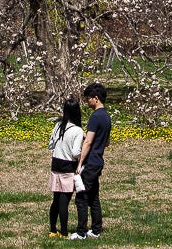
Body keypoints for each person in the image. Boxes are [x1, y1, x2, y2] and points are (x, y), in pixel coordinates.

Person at [70, 82, 111, 240]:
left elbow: (87, 143)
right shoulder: (106, 116)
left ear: (96, 98)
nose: (87, 102)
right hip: (99, 160)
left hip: (90, 162)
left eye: (88, 98)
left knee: (81, 197)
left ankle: (81, 232)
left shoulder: (95, 117)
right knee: (94, 196)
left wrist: (80, 163)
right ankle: (96, 229)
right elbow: (106, 142)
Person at [47, 98, 84, 238]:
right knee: (64, 200)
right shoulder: (77, 130)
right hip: (68, 166)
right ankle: (63, 231)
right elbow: (75, 152)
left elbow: (51, 145)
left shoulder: (58, 126)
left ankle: (52, 229)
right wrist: (80, 158)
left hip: (55, 164)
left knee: (56, 199)